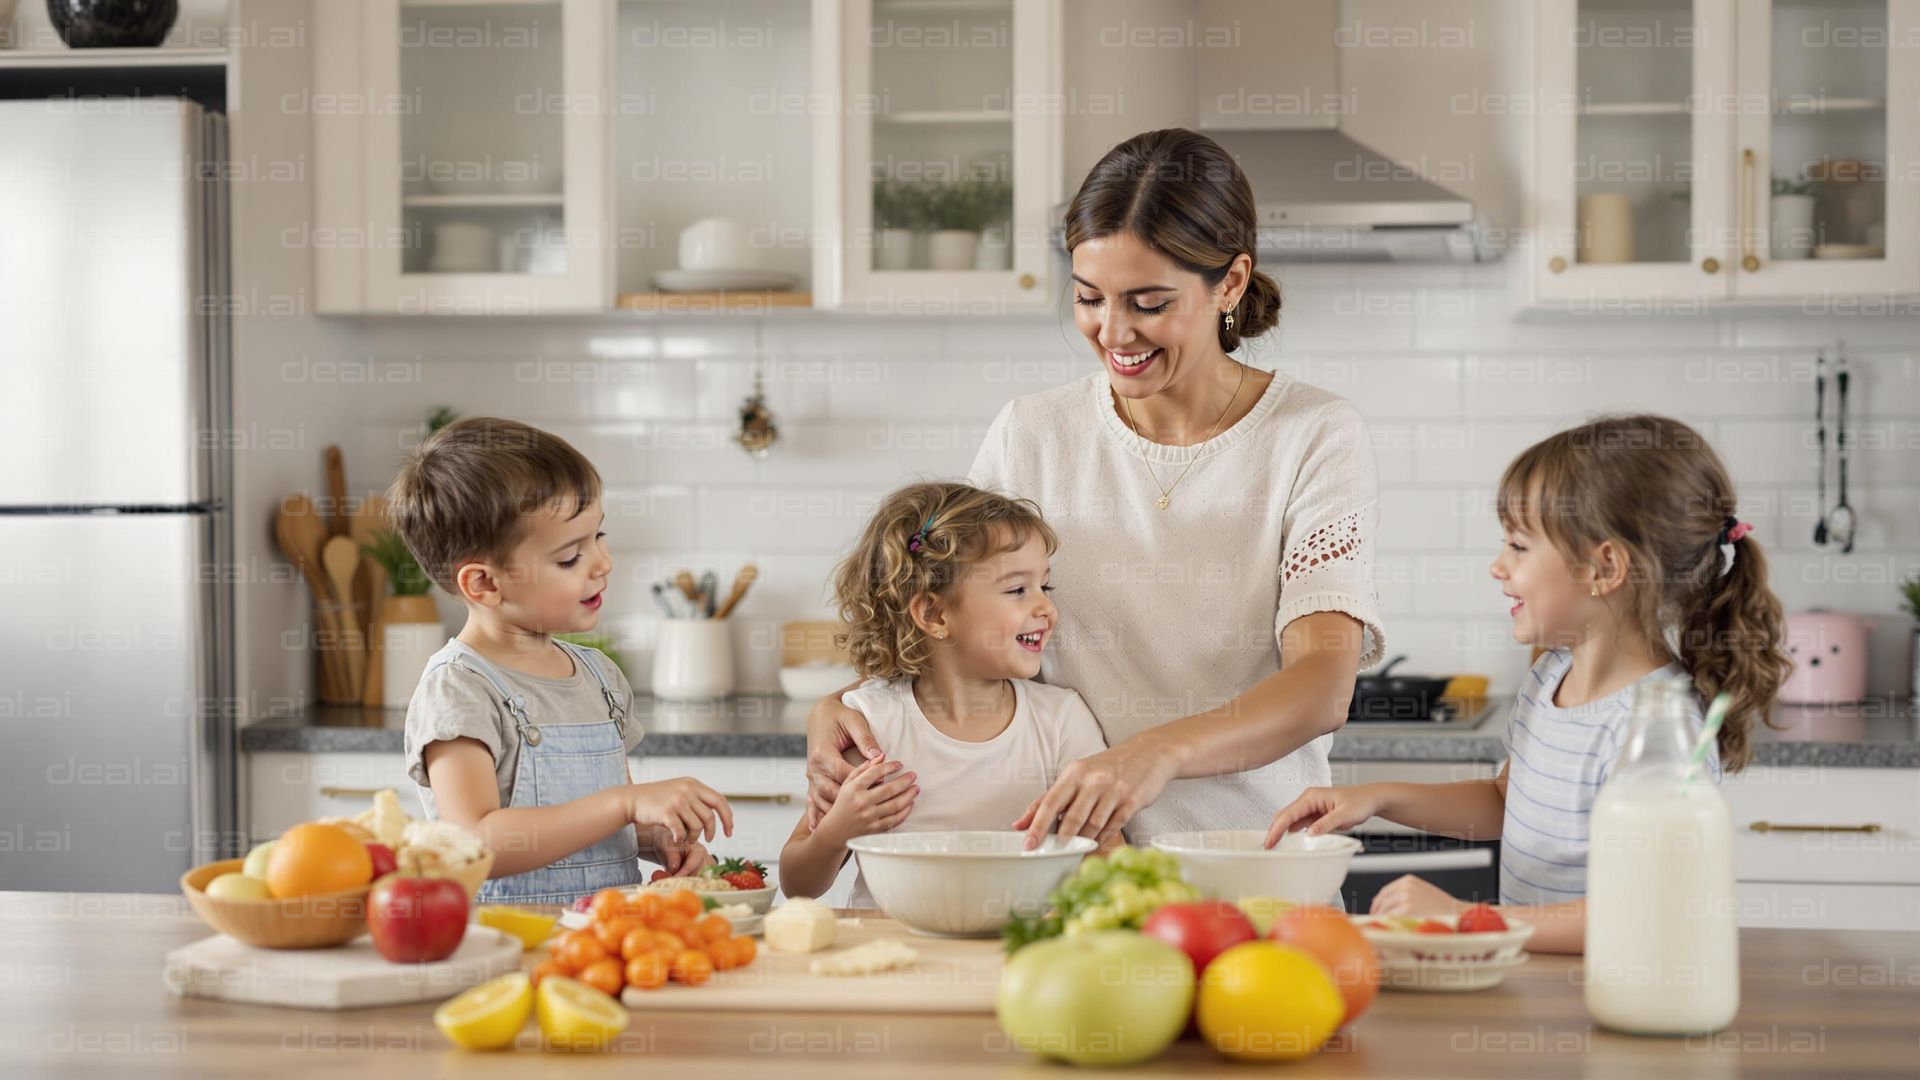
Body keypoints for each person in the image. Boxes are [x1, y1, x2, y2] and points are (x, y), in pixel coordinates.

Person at [804, 128, 1387, 849]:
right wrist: (837, 704)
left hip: (1251, 859)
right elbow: (950, 624)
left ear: (1230, 283)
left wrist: (1156, 752)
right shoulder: (1032, 432)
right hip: (1066, 882)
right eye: (1088, 298)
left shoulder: (1313, 434)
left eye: (1147, 302)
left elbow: (1322, 686)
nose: (1113, 331)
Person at [1266, 415, 1791, 953]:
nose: (1498, 566)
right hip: (1543, 987)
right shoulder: (1550, 677)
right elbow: (1506, 800)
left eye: (1519, 546)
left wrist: (1464, 918)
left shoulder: (1656, 727)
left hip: (1615, 994)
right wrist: (1376, 798)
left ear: (1603, 567)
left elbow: (1645, 907)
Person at [389, 416, 733, 905]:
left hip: (604, 944)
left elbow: (598, 829)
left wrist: (657, 839)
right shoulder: (459, 688)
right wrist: (625, 802)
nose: (602, 562)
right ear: (484, 584)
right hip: (509, 950)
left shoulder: (599, 677)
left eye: (598, 536)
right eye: (570, 557)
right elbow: (475, 840)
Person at [778, 483, 1110, 904]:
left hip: (1020, 952)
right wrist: (838, 831)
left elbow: (1108, 858)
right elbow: (797, 884)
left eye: (1045, 587)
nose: (1045, 608)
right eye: (1016, 590)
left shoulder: (1062, 720)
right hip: (893, 952)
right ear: (934, 613)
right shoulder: (871, 725)